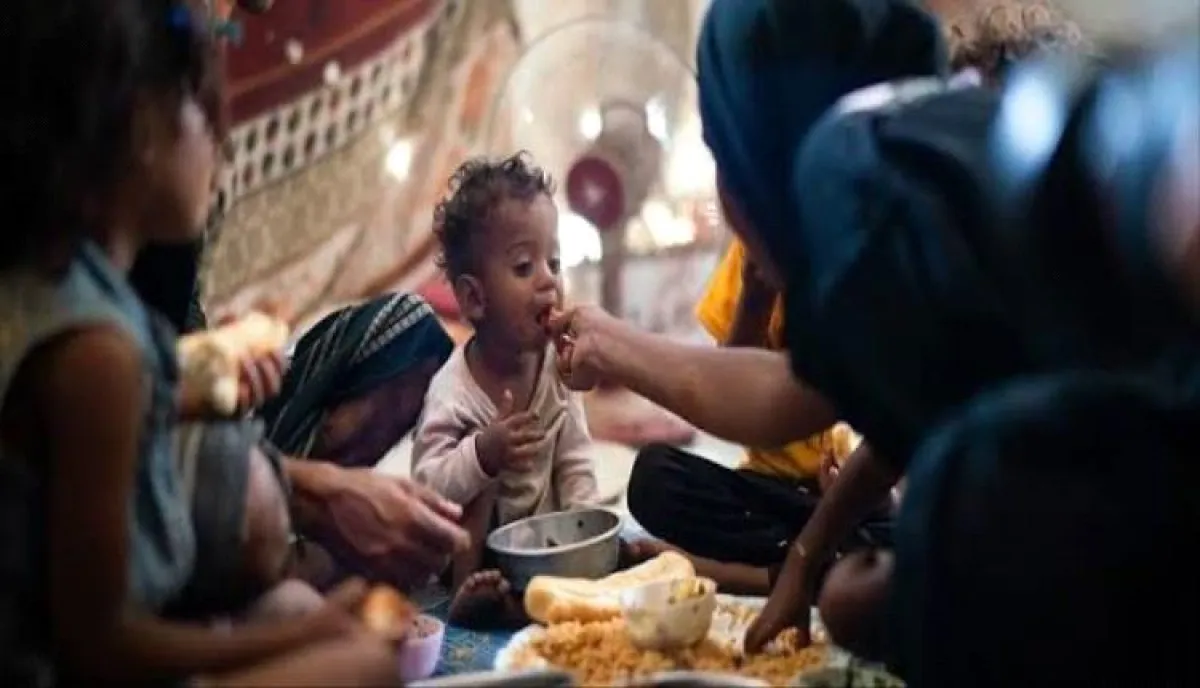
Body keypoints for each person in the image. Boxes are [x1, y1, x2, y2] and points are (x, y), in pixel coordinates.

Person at [0, 1, 401, 683]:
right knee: (360, 661)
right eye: (206, 119)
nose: (223, 144)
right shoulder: (98, 356)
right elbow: (98, 647)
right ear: (141, 126)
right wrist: (311, 634)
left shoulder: (58, 292)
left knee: (293, 611)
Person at [624, 232, 889, 595]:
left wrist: (862, 492)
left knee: (916, 535)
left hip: (854, 487)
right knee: (654, 476)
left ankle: (738, 574)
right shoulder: (747, 252)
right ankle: (821, 566)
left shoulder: (854, 247)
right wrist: (754, 300)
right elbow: (724, 394)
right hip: (768, 497)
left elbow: (898, 437)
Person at [412, 153, 599, 627]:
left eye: (553, 262)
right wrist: (481, 456)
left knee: (602, 551)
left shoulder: (558, 368)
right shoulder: (453, 392)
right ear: (474, 298)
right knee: (475, 490)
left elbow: (574, 459)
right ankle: (469, 599)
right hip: (476, 556)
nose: (549, 281)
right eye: (523, 266)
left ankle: (530, 601)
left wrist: (587, 533)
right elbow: (427, 488)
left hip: (544, 549)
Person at [261, 291, 469, 587]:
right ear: (333, 389)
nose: (379, 442)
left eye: (401, 427)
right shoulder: (234, 442)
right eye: (379, 412)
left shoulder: (361, 513)